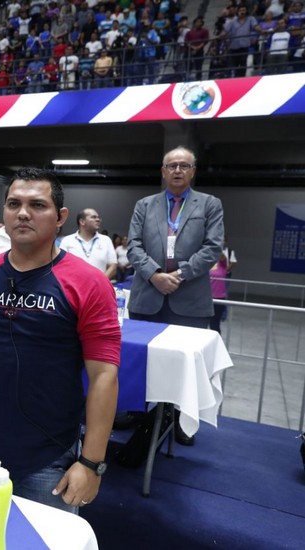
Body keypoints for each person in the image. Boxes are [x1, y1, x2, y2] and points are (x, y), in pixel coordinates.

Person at [0, 167, 120, 513]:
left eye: (37, 205)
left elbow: (104, 376)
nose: (23, 213)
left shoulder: (89, 283)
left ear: (61, 217)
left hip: (48, 459)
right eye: (14, 204)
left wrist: (92, 463)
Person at [126, 146, 224, 445]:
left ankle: (182, 420)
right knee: (142, 363)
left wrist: (178, 275)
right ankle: (140, 417)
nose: (178, 170)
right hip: (148, 296)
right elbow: (133, 246)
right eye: (172, 166)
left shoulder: (209, 204)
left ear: (193, 171)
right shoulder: (145, 205)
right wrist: (155, 275)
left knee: (186, 367)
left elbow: (212, 248)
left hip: (189, 300)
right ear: (163, 171)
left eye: (184, 165)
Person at [59, 208, 117, 280]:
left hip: (99, 288)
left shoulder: (106, 240)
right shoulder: (67, 240)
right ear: (82, 221)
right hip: (74, 287)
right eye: (93, 217)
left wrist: (100, 283)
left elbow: (113, 266)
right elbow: (61, 266)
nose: (98, 220)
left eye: (98, 217)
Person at [208, 252, 228, 333]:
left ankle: (217, 343)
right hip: (206, 297)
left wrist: (216, 245)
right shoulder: (207, 263)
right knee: (202, 324)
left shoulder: (222, 263)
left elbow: (222, 256)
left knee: (214, 325)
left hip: (219, 298)